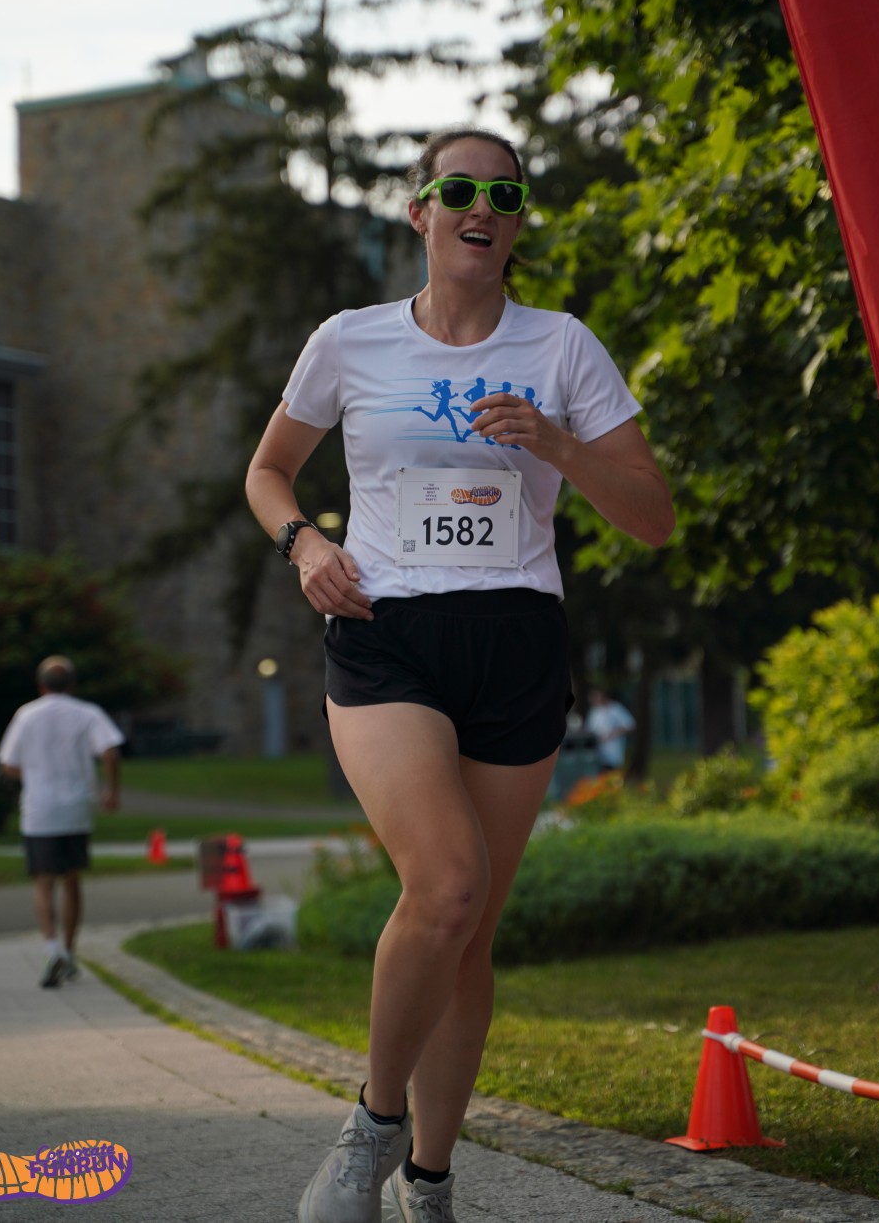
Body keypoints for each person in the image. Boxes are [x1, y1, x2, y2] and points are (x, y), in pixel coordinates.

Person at [246, 126, 675, 1223]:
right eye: (459, 188)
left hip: (514, 637)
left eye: (504, 194)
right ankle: (371, 1127)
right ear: (421, 211)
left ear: (517, 222)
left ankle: (430, 1179)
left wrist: (559, 445)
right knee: (442, 886)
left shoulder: (562, 346)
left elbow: (651, 517)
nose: (482, 206)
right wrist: (305, 543)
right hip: (385, 628)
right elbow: (268, 469)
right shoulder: (350, 341)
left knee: (470, 929)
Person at [0, 655, 124, 988]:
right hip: (76, 807)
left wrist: (35, 775)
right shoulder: (87, 713)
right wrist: (111, 791)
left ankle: (51, 946)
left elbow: (8, 763)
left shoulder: (26, 715)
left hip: (40, 809)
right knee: (71, 879)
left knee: (43, 882)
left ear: (40, 685)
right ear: (73, 683)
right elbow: (110, 751)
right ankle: (69, 951)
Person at [585, 685, 637, 771]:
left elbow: (630, 725)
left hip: (613, 749)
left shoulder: (616, 708)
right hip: (598, 751)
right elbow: (590, 729)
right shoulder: (594, 711)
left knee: (613, 771)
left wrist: (612, 734)